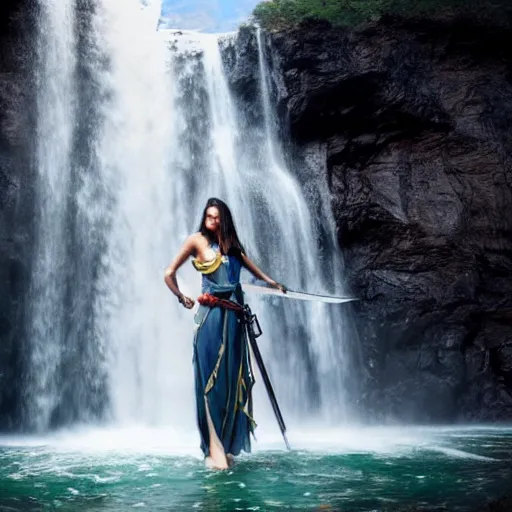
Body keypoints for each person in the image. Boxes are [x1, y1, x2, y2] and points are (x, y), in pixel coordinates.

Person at [164, 197, 286, 470]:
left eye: (217, 217)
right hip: (210, 319)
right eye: (209, 216)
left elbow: (256, 274)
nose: (213, 221)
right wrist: (181, 296)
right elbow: (169, 273)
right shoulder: (196, 241)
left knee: (231, 383)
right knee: (210, 382)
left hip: (234, 322)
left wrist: (275, 284)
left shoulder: (232, 248)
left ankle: (225, 446)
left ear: (225, 219)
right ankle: (214, 450)